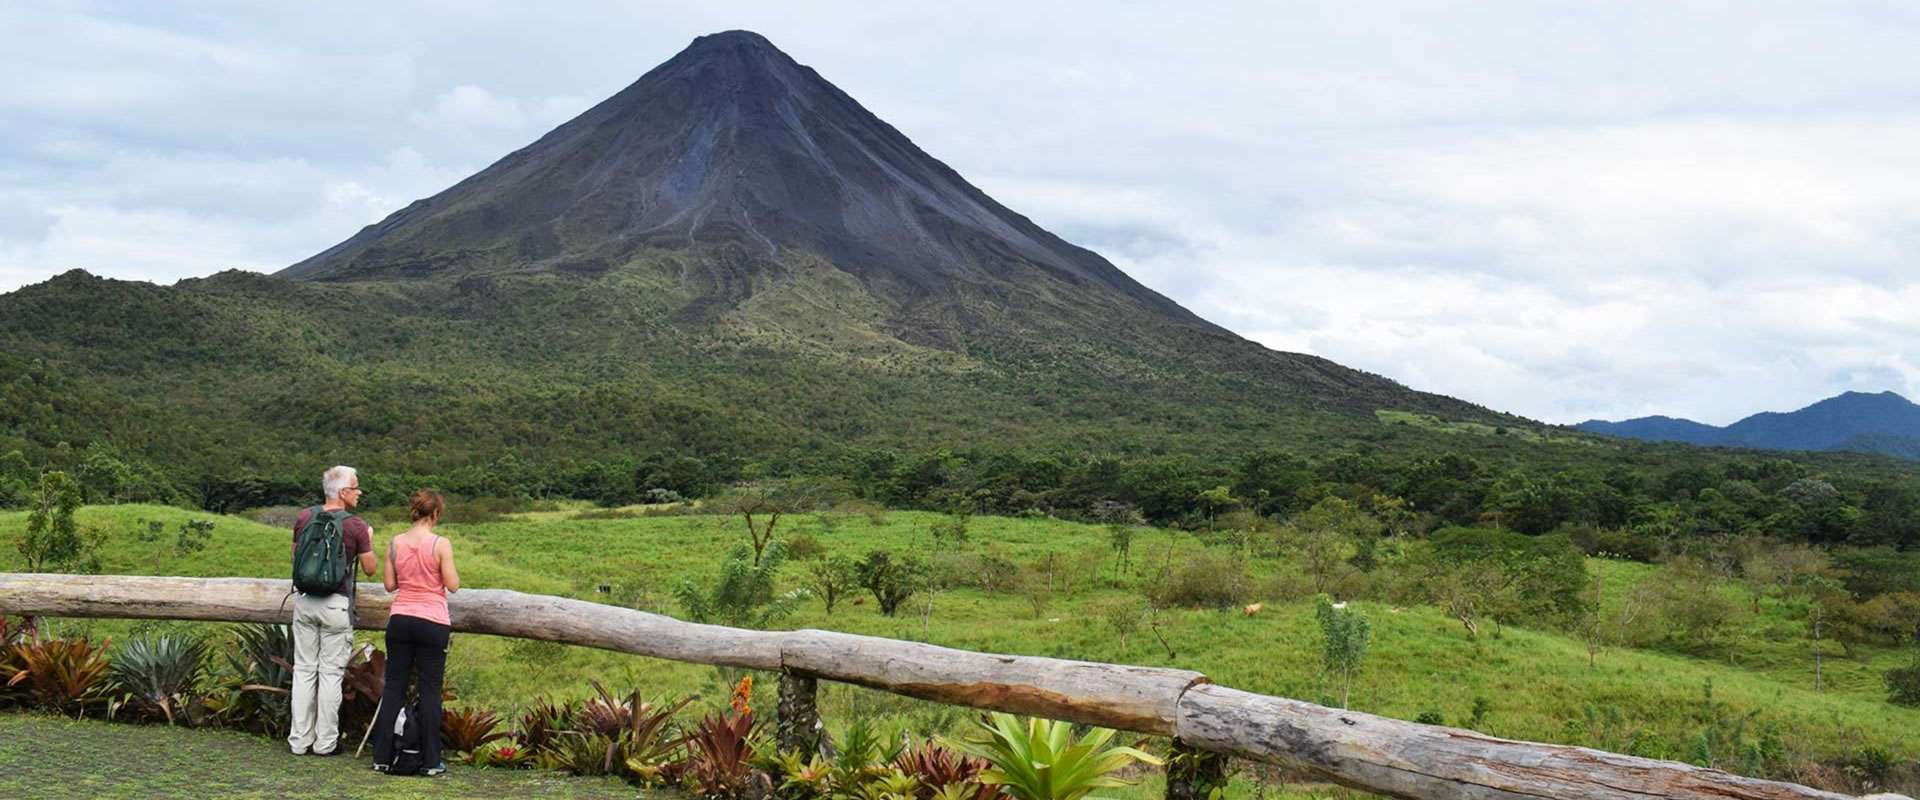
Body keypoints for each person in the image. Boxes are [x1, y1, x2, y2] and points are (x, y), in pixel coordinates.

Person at [289, 465, 376, 756]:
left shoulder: (304, 517)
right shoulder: (356, 525)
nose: (359, 492)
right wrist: (369, 540)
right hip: (335, 605)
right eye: (355, 487)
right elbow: (370, 568)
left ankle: (299, 741)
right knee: (329, 674)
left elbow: (294, 558)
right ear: (342, 492)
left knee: (303, 671)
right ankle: (325, 743)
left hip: (304, 601)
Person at [372, 489, 461, 776]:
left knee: (394, 687)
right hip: (432, 620)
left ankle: (382, 757)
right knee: (430, 690)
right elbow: (453, 584)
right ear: (435, 514)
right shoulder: (440, 543)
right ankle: (430, 760)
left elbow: (389, 584)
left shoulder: (395, 542)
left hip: (400, 618)